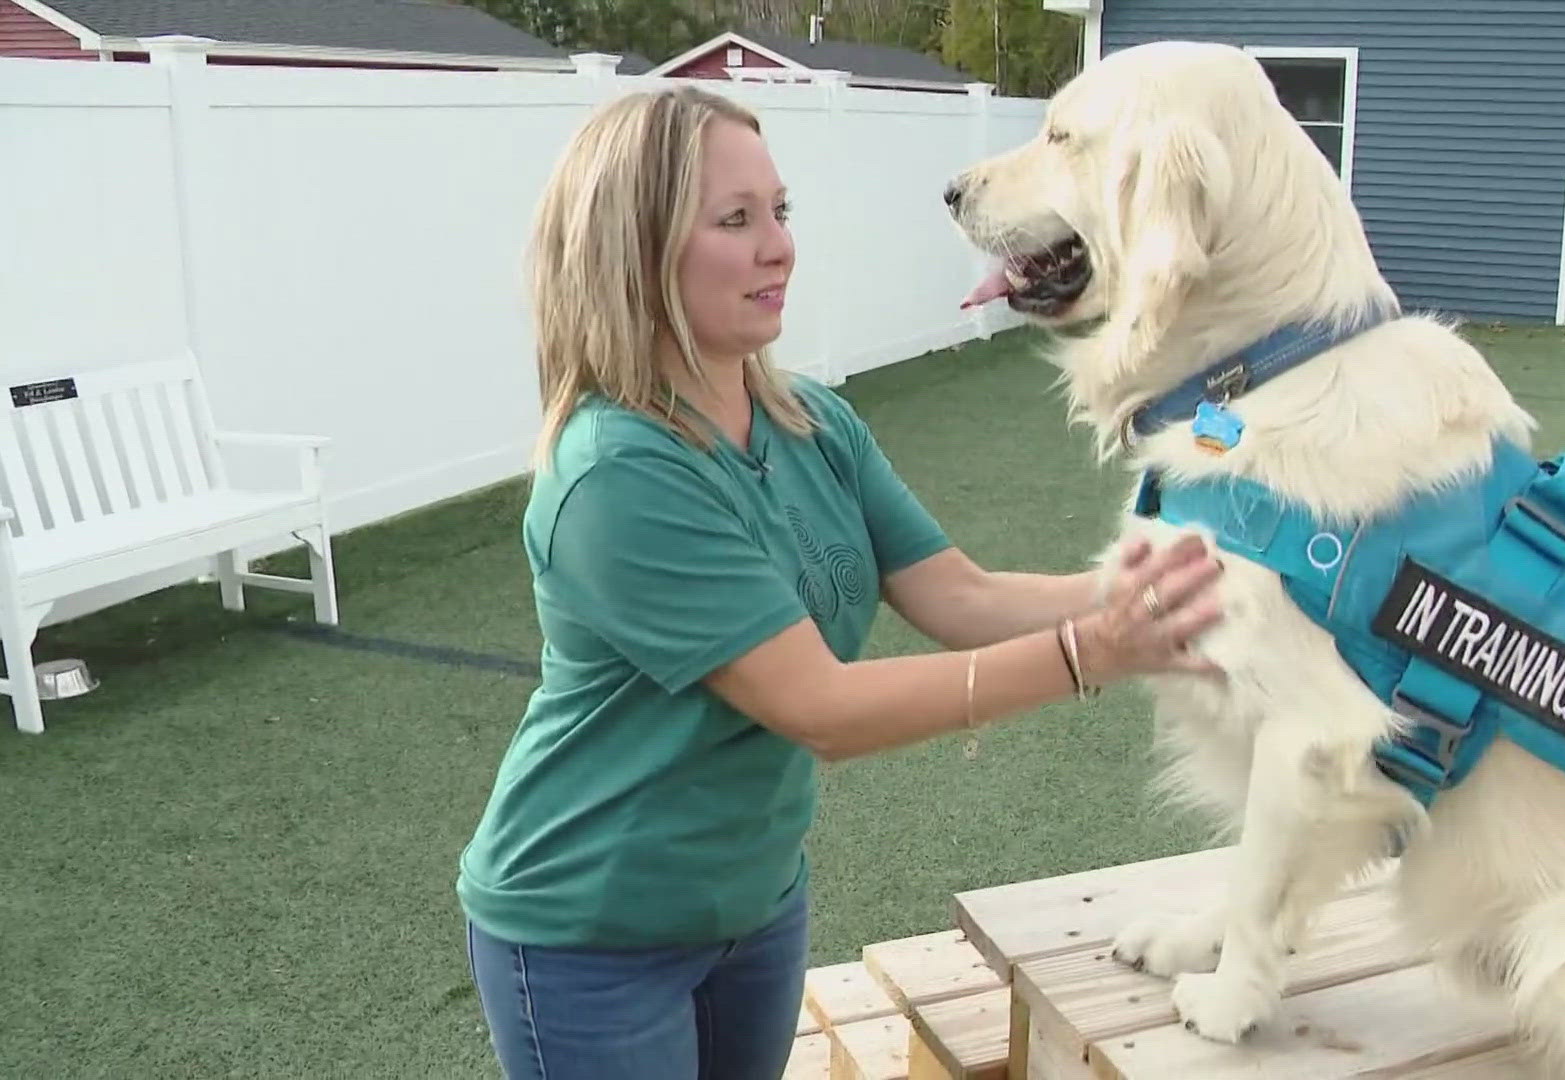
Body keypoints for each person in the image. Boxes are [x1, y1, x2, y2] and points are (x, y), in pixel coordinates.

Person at [455, 84, 1223, 1080]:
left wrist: (1152, 585)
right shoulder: (617, 475)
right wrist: (1090, 654)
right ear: (633, 254)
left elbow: (961, 595)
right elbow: (823, 709)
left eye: (780, 211)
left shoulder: (809, 420)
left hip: (757, 906)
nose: (778, 245)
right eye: (736, 220)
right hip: (590, 935)